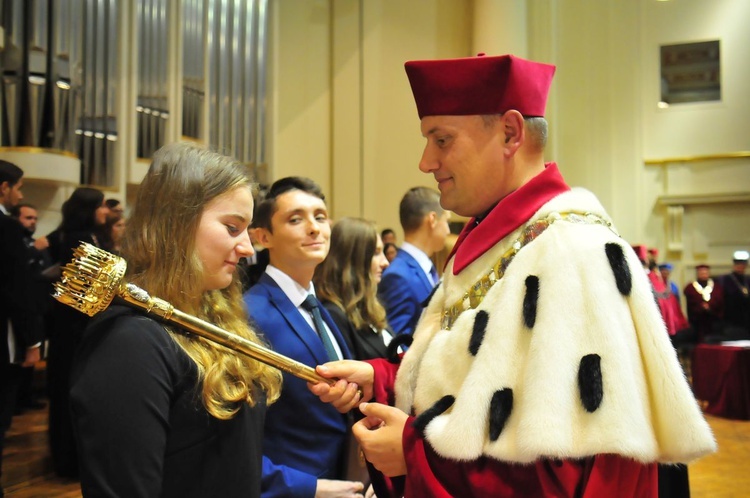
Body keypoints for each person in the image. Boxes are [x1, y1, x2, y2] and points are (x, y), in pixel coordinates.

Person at [311, 53, 715, 497]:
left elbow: (567, 475)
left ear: (510, 132)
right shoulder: (501, 238)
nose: (426, 162)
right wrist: (387, 378)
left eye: (441, 139)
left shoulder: (570, 250)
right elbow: (485, 385)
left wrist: (413, 452)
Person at [69, 143, 282, 497]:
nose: (247, 248)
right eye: (232, 227)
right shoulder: (129, 344)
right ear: (176, 224)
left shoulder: (214, 315)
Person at [243, 177, 364, 498]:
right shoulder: (250, 313)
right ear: (262, 236)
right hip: (295, 485)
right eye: (295, 219)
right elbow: (237, 437)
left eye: (320, 217)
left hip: (344, 478)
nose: (314, 228)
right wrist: (308, 489)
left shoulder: (320, 307)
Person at [44, 186, 109, 477]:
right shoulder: (77, 239)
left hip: (79, 328)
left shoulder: (87, 236)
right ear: (90, 208)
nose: (106, 211)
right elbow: (83, 295)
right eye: (102, 206)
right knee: (70, 393)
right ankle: (68, 460)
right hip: (74, 331)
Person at [0, 160, 43, 498]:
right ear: (4, 188)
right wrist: (32, 341)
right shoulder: (7, 229)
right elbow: (18, 290)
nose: (19, 193)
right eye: (18, 187)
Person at [314, 217, 394, 360]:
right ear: (353, 260)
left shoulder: (369, 307)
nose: (385, 263)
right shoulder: (334, 315)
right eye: (376, 253)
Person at [378, 187, 450, 336]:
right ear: (432, 220)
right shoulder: (398, 276)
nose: (448, 230)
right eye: (446, 221)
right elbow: (397, 342)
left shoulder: (427, 268)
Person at [9, 203, 51, 412]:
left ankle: (26, 397)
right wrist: (34, 250)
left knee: (34, 353)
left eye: (35, 218)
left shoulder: (35, 243)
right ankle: (15, 400)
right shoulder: (19, 243)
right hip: (20, 306)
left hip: (38, 306)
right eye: (28, 218)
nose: (32, 222)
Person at [683, 264, 724, 343]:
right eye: (701, 273)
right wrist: (701, 307)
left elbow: (719, 300)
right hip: (697, 321)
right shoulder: (691, 287)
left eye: (705, 273)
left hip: (713, 320)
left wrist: (710, 306)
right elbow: (691, 302)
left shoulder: (716, 287)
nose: (703, 274)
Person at [717, 250, 750, 339]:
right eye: (738, 264)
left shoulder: (747, 280)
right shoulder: (725, 280)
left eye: (743, 264)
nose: (740, 266)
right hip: (730, 321)